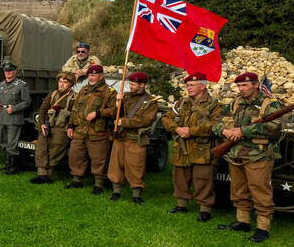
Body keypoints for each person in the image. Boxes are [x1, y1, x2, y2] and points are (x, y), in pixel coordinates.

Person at [212, 72, 282, 243]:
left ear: (256, 85)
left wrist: (243, 131)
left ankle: (262, 228)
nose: (241, 89)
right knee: (238, 190)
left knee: (260, 191)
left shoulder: (269, 104)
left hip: (259, 155)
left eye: (245, 85)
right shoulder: (236, 103)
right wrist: (225, 131)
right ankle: (242, 221)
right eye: (239, 86)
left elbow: (274, 127)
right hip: (235, 154)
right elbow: (217, 121)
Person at [162, 72, 222, 222]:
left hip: (203, 149)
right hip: (182, 147)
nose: (188, 88)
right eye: (187, 85)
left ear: (202, 86)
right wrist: (176, 129)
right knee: (180, 177)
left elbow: (216, 125)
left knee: (203, 179)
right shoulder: (181, 103)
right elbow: (166, 118)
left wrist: (191, 131)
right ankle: (181, 204)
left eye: (192, 85)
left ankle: (205, 210)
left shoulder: (215, 105)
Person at [107, 71, 159, 204]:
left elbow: (146, 120)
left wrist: (124, 122)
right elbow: (114, 114)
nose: (130, 86)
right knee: (116, 166)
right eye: (129, 83)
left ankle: (137, 194)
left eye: (133, 84)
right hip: (120, 137)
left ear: (142, 85)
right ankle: (116, 191)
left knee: (136, 167)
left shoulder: (150, 102)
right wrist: (118, 104)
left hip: (135, 139)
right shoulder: (125, 97)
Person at [65, 65, 117, 193]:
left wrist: (98, 113)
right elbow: (75, 109)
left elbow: (115, 110)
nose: (90, 78)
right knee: (75, 155)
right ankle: (77, 180)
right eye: (89, 75)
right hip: (80, 130)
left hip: (98, 132)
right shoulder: (84, 90)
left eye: (93, 75)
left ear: (101, 76)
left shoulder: (109, 92)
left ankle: (98, 184)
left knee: (98, 159)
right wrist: (70, 125)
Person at [30, 72, 75, 184]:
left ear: (71, 84)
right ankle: (41, 173)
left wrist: (70, 127)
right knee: (41, 146)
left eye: (65, 82)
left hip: (62, 127)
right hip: (48, 125)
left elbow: (75, 115)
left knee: (56, 148)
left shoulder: (74, 97)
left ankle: (48, 173)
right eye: (60, 81)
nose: (62, 84)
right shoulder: (52, 94)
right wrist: (42, 124)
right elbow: (42, 110)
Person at [0, 60, 30, 174]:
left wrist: (14, 108)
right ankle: (7, 164)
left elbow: (26, 102)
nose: (8, 73)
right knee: (3, 142)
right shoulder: (1, 85)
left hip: (14, 118)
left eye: (10, 71)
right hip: (2, 117)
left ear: (15, 71)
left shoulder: (21, 85)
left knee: (12, 143)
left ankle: (13, 167)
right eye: (6, 71)